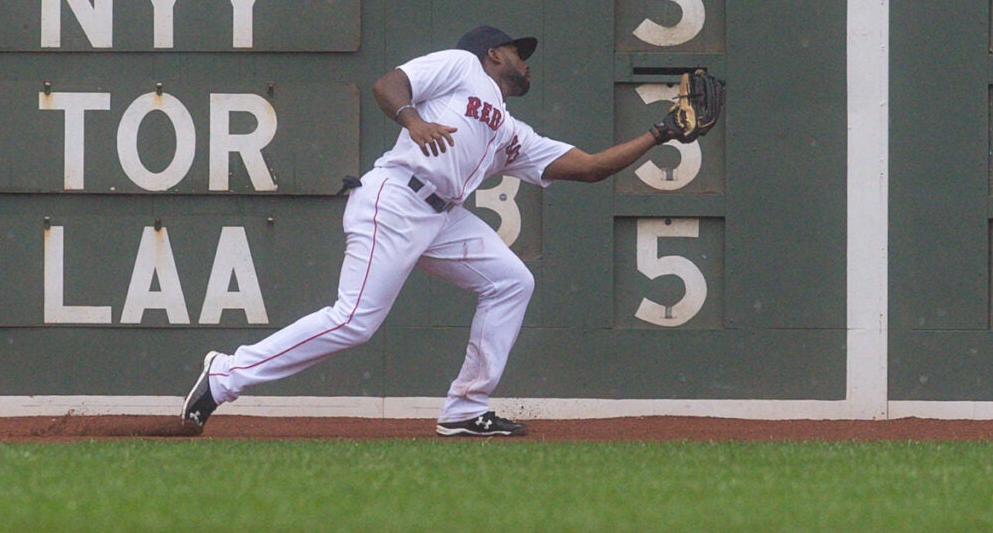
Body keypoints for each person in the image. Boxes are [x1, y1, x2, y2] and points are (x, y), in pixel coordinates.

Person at [180, 25, 694, 437]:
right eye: (519, 51)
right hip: (396, 196)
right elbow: (389, 84)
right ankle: (226, 374)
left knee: (512, 281)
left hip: (441, 217)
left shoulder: (510, 131)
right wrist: (410, 120)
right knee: (355, 320)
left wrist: (660, 133)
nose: (526, 59)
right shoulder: (463, 65)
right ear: (494, 54)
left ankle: (466, 408)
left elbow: (590, 168)